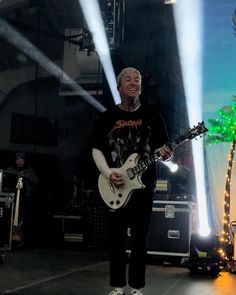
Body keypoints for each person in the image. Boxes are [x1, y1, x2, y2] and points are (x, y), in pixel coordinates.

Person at [91, 67, 173, 295]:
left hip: (143, 188)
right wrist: (108, 173)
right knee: (116, 240)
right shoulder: (107, 117)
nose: (134, 81)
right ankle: (117, 286)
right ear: (119, 87)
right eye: (128, 78)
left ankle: (136, 287)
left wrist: (168, 153)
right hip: (115, 185)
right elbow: (96, 149)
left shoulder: (153, 116)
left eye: (137, 78)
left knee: (140, 240)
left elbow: (164, 148)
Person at [6, 152, 39, 248]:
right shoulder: (10, 169)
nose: (20, 162)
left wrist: (27, 176)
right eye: (18, 160)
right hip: (13, 198)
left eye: (22, 160)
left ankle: (25, 242)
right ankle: (11, 239)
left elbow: (36, 182)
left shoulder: (29, 170)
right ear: (15, 161)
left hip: (26, 199)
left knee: (26, 220)